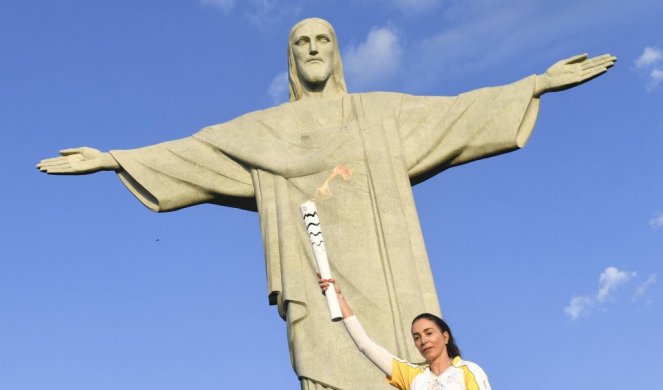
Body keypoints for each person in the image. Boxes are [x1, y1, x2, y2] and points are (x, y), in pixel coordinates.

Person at [37, 17, 615, 390]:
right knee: (332, 361)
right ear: (291, 58)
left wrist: (534, 84)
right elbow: (199, 152)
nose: (313, 49)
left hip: (392, 279)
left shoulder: (378, 114)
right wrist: (115, 157)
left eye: (323, 41)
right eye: (301, 43)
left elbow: (455, 113)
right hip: (319, 283)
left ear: (336, 54)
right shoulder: (262, 130)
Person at [320, 276, 490, 390]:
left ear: (445, 337)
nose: (423, 340)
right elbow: (366, 345)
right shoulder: (414, 378)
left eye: (429, 333)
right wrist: (339, 299)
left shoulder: (468, 370)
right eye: (417, 337)